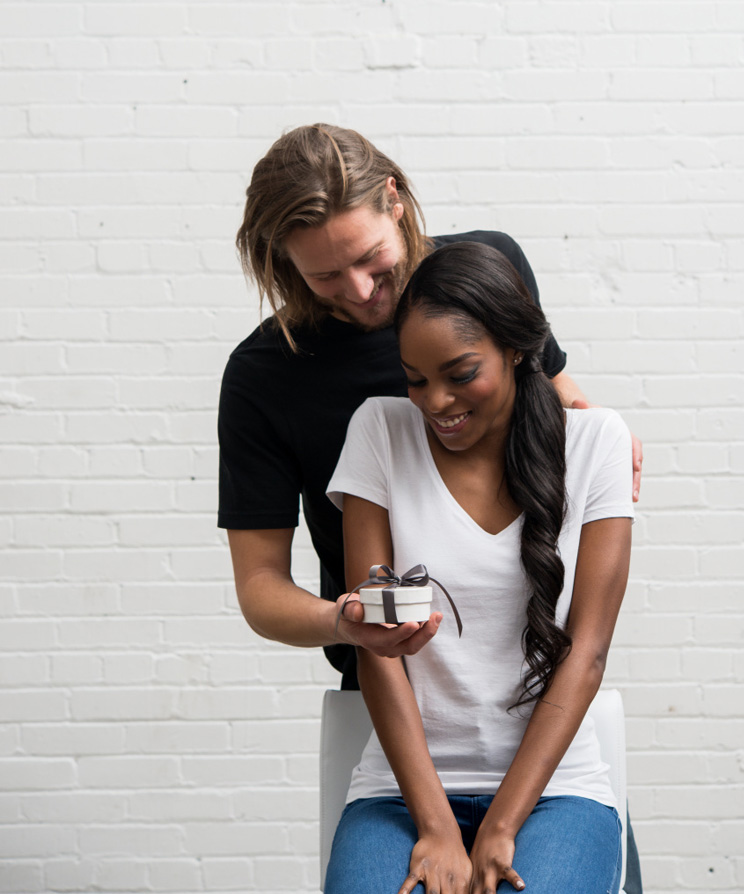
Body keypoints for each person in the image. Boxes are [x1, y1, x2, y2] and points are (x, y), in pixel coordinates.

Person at [218, 124, 643, 891]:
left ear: (398, 203)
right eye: (323, 277)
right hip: (400, 687)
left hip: (539, 727)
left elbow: (557, 399)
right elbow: (258, 588)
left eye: (370, 261)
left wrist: (600, 448)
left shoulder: (488, 273)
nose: (358, 293)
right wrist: (346, 621)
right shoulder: (280, 386)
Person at [324, 240, 633, 893]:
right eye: (415, 378)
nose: (435, 402)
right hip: (399, 797)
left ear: (516, 350)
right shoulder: (378, 433)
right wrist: (436, 827)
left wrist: (499, 826)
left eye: (460, 374)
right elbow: (377, 649)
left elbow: (588, 653)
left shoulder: (598, 442)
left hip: (556, 794)